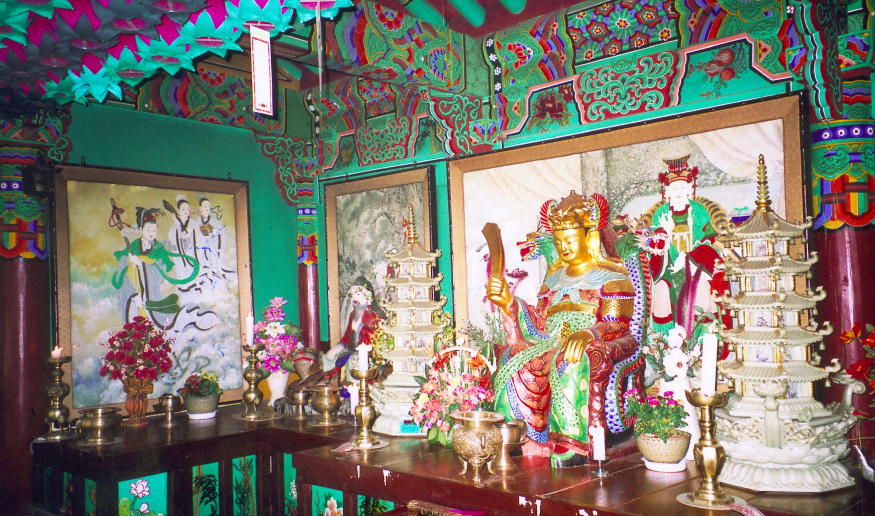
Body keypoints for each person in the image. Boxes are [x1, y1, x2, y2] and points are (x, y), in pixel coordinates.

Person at [486, 191, 640, 466]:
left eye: (570, 240)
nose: (564, 247)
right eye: (559, 242)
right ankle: (523, 434)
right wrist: (509, 302)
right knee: (513, 356)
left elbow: (618, 324)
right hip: (550, 339)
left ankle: (571, 441)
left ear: (588, 236)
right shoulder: (553, 279)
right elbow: (540, 320)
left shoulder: (612, 277)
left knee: (570, 357)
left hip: (588, 340)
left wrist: (589, 333)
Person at [646, 156, 726, 343]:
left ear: (690, 188)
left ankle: (701, 341)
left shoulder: (698, 210)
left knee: (701, 286)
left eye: (682, 187)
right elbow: (654, 244)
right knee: (661, 290)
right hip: (667, 264)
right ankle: (664, 343)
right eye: (674, 189)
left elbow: (707, 239)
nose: (678, 192)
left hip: (696, 262)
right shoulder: (661, 213)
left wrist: (689, 258)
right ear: (666, 191)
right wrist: (666, 233)